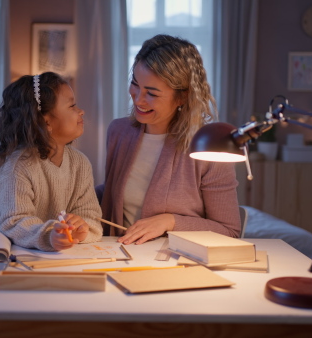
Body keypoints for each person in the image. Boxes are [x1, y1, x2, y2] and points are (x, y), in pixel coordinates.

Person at [98, 34, 241, 245]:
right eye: (135, 84)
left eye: (152, 93)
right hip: (121, 256)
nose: (138, 98)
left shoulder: (208, 147)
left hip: (177, 262)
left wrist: (170, 221)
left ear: (183, 97)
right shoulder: (119, 131)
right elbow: (112, 193)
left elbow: (229, 231)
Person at [0, 72, 103, 251]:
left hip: (30, 240)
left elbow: (92, 218)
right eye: (72, 106)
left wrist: (81, 228)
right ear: (46, 121)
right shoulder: (19, 166)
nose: (81, 111)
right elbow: (15, 223)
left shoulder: (80, 164)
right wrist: (50, 235)